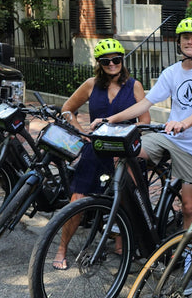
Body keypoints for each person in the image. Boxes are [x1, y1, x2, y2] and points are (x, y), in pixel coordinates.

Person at [92, 18, 192, 231]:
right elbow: (145, 103)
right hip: (168, 136)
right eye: (186, 38)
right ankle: (139, 205)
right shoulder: (171, 72)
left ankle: (187, 245)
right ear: (178, 42)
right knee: (128, 150)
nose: (190, 42)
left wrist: (183, 123)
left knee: (189, 206)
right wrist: (110, 119)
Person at [53, 38, 150, 270]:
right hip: (96, 148)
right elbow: (67, 109)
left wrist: (127, 136)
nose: (112, 64)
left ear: (122, 60)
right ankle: (61, 248)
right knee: (78, 198)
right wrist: (81, 132)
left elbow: (144, 121)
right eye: (106, 61)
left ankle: (121, 241)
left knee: (128, 197)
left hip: (124, 150)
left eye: (116, 59)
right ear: (99, 63)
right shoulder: (91, 84)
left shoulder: (134, 86)